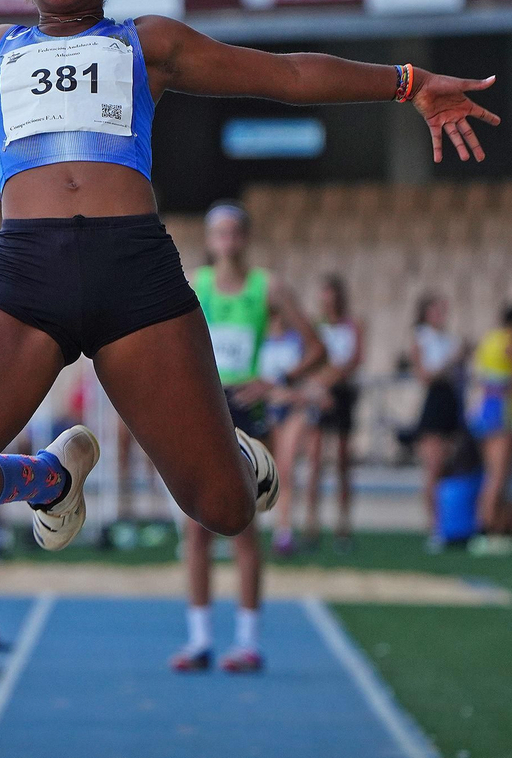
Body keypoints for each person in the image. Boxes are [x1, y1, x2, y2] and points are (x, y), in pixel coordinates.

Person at [0, 0, 500, 550]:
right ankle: (49, 480)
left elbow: (287, 75)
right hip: (25, 278)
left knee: (227, 508)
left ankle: (239, 455)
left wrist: (407, 82)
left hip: (135, 278)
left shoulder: (146, 43)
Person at [172, 201, 325, 673]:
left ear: (245, 237)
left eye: (235, 232)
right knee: (195, 527)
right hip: (201, 410)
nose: (227, 240)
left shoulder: (267, 287)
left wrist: (276, 382)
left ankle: (248, 641)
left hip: (246, 412)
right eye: (219, 232)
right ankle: (199, 640)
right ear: (209, 239)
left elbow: (316, 346)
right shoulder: (195, 285)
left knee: (242, 525)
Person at [303, 275, 366, 552]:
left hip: (340, 395)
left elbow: (353, 360)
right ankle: (311, 524)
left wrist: (327, 379)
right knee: (315, 462)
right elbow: (311, 359)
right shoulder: (316, 327)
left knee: (342, 461)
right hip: (321, 395)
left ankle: (343, 524)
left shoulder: (354, 326)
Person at [466, 305, 512, 549]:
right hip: (501, 411)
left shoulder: (488, 340)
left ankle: (496, 526)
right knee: (498, 475)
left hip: (484, 408)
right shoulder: (511, 342)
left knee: (492, 473)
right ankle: (486, 528)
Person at [257, 304, 315, 555]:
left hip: (291, 409)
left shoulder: (296, 342)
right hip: (265, 410)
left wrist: (291, 394)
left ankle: (284, 530)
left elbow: (306, 377)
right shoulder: (259, 341)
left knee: (285, 469)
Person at [410, 293, 464, 552]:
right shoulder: (422, 338)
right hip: (435, 401)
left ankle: (449, 524)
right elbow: (425, 375)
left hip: (450, 402)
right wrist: (450, 363)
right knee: (433, 469)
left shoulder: (450, 340)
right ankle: (434, 526)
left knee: (447, 469)